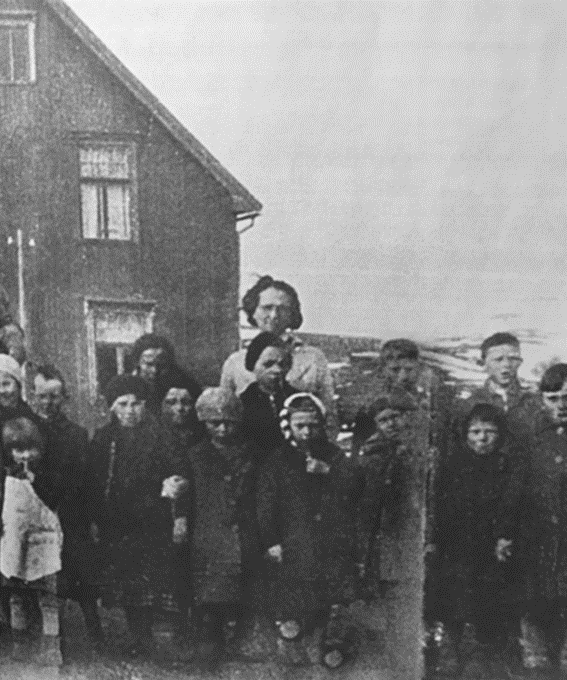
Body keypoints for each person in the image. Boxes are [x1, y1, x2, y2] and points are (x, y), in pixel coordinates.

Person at [86, 375, 192, 658]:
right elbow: (95, 481)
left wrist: (176, 491)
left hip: (154, 518)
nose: (130, 410)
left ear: (145, 406)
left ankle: (167, 640)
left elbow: (179, 471)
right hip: (119, 521)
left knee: (156, 581)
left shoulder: (161, 436)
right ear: (112, 408)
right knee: (127, 583)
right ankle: (140, 638)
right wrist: (97, 518)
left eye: (136, 404)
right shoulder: (104, 438)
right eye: (123, 404)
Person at [256, 393, 364, 668]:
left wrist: (329, 472)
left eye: (312, 425)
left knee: (329, 597)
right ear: (288, 426)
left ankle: (327, 651)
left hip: (330, 540)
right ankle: (292, 647)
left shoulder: (335, 456)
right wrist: (271, 541)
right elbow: (265, 504)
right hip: (294, 540)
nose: (306, 432)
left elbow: (355, 492)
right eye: (299, 425)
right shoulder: (277, 460)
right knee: (294, 595)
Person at [429, 403, 528, 677]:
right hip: (458, 544)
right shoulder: (452, 464)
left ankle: (488, 658)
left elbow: (514, 504)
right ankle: (452, 651)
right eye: (475, 432)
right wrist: (435, 540)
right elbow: (440, 505)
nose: (482, 439)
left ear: (500, 434)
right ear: (465, 434)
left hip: (493, 544)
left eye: (489, 432)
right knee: (454, 599)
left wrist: (504, 535)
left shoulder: (508, 465)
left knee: (491, 602)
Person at [180, 387, 259, 667]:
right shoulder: (195, 454)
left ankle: (241, 639)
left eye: (229, 422)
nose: (223, 428)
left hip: (244, 529)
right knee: (209, 591)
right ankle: (209, 643)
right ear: (204, 422)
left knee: (245, 588)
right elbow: (186, 495)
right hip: (208, 532)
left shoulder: (250, 453)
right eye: (215, 423)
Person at [31, 365, 104, 656]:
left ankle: (96, 634)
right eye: (42, 397)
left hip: (72, 512)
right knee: (47, 578)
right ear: (34, 397)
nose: (48, 403)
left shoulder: (76, 433)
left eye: (54, 396)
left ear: (64, 397)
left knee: (81, 574)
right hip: (38, 510)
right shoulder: (28, 430)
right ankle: (52, 639)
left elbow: (84, 476)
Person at [220, 276, 337, 427]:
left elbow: (329, 413)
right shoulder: (235, 362)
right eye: (267, 308)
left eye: (283, 309)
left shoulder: (313, 358)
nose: (274, 316)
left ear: (292, 314)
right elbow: (224, 413)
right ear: (253, 311)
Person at [0, 417, 63, 666]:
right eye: (18, 450)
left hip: (42, 543)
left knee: (47, 597)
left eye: (30, 449)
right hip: (13, 542)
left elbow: (55, 500)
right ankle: (20, 644)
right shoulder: (4, 478)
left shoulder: (48, 475)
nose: (24, 455)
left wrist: (36, 480)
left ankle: (51, 648)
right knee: (16, 595)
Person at [521, 364, 567, 672]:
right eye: (553, 398)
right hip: (539, 528)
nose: (562, 406)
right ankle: (536, 649)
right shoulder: (531, 436)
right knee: (538, 588)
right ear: (542, 400)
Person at [355, 391, 416, 602]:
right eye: (383, 420)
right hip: (388, 528)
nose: (391, 424)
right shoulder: (372, 456)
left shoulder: (419, 449)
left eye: (395, 417)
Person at [453, 332, 539, 440]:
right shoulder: (469, 405)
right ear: (483, 364)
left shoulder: (535, 402)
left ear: (520, 362)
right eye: (498, 359)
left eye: (513, 358)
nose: (506, 364)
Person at [240, 332, 296, 452]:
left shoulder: (299, 400)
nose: (277, 370)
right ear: (252, 364)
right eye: (268, 364)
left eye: (282, 364)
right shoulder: (242, 403)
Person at [129, 333, 201, 415]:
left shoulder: (186, 384)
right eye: (149, 364)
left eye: (161, 365)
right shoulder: (127, 386)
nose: (155, 370)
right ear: (137, 362)